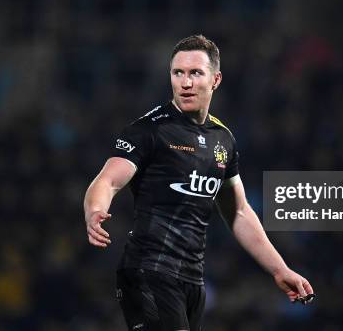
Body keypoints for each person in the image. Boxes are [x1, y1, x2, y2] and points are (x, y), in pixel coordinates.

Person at [83, 35, 314, 330]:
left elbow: (239, 212)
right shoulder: (149, 131)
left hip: (192, 280)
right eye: (178, 73)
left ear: (215, 79)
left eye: (195, 73)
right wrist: (94, 210)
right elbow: (107, 180)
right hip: (148, 270)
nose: (185, 82)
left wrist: (279, 269)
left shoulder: (223, 140)